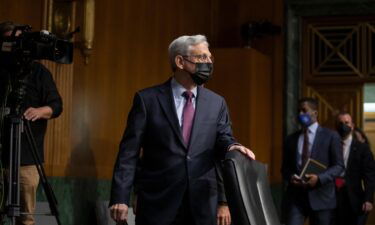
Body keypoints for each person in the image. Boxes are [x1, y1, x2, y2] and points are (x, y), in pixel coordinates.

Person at [109, 34, 255, 225]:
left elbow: (223, 138)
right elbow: (129, 152)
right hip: (157, 202)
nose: (208, 63)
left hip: (201, 202)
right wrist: (120, 196)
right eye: (202, 57)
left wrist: (232, 147)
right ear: (180, 61)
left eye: (210, 58)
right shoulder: (147, 100)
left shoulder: (216, 102)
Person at [0, 21, 63, 225]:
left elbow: (56, 105)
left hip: (27, 158)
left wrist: (39, 111)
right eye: (9, 41)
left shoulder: (38, 72)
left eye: (17, 42)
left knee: (25, 218)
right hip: (0, 157)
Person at [281, 97, 344, 225]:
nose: (300, 114)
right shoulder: (291, 139)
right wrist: (291, 177)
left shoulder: (331, 136)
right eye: (298, 111)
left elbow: (339, 166)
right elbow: (285, 168)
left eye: (304, 110)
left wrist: (319, 178)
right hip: (296, 198)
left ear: (315, 113)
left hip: (322, 197)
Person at [333, 112, 375, 225]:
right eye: (340, 123)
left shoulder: (363, 149)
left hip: (355, 201)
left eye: (346, 122)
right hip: (332, 199)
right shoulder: (330, 145)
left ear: (352, 125)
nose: (343, 125)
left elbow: (369, 176)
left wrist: (368, 199)